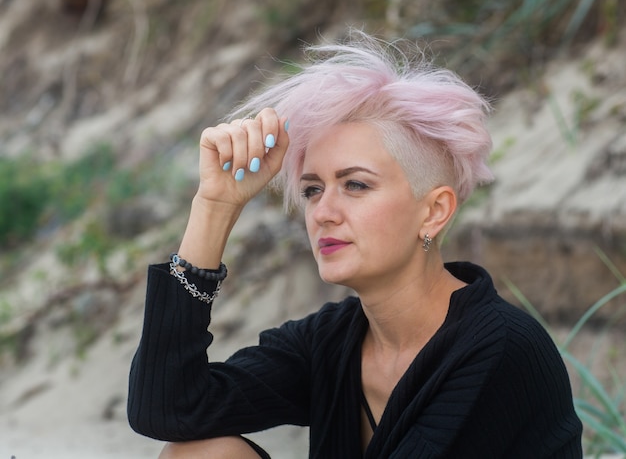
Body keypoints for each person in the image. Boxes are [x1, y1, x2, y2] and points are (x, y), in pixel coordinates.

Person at [127, 31, 583, 458]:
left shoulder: (500, 349)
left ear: (434, 211)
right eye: (311, 190)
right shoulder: (330, 342)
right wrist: (215, 206)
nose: (323, 211)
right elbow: (168, 409)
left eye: (356, 185)